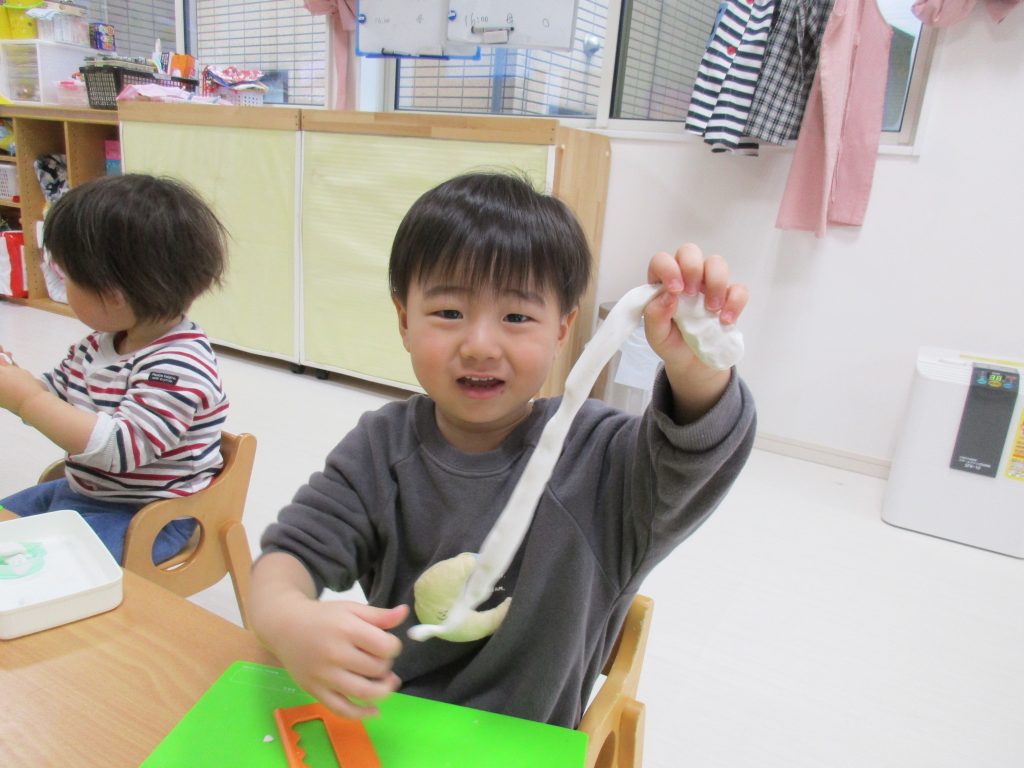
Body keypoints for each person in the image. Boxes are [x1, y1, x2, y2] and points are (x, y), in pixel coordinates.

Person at [248, 171, 756, 728]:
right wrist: (289, 619)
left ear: (562, 330)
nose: (480, 345)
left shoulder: (599, 461)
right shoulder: (380, 450)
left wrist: (696, 368)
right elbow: (289, 558)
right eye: (449, 313)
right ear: (404, 321)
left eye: (516, 317)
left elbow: (694, 456)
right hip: (389, 724)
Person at [0, 174, 230, 565]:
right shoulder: (98, 344)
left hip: (150, 515)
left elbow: (117, 450)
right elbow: (55, 397)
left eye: (66, 279)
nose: (63, 288)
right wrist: (14, 379)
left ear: (113, 296)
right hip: (85, 492)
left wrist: (25, 400)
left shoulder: (177, 367)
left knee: (48, 568)